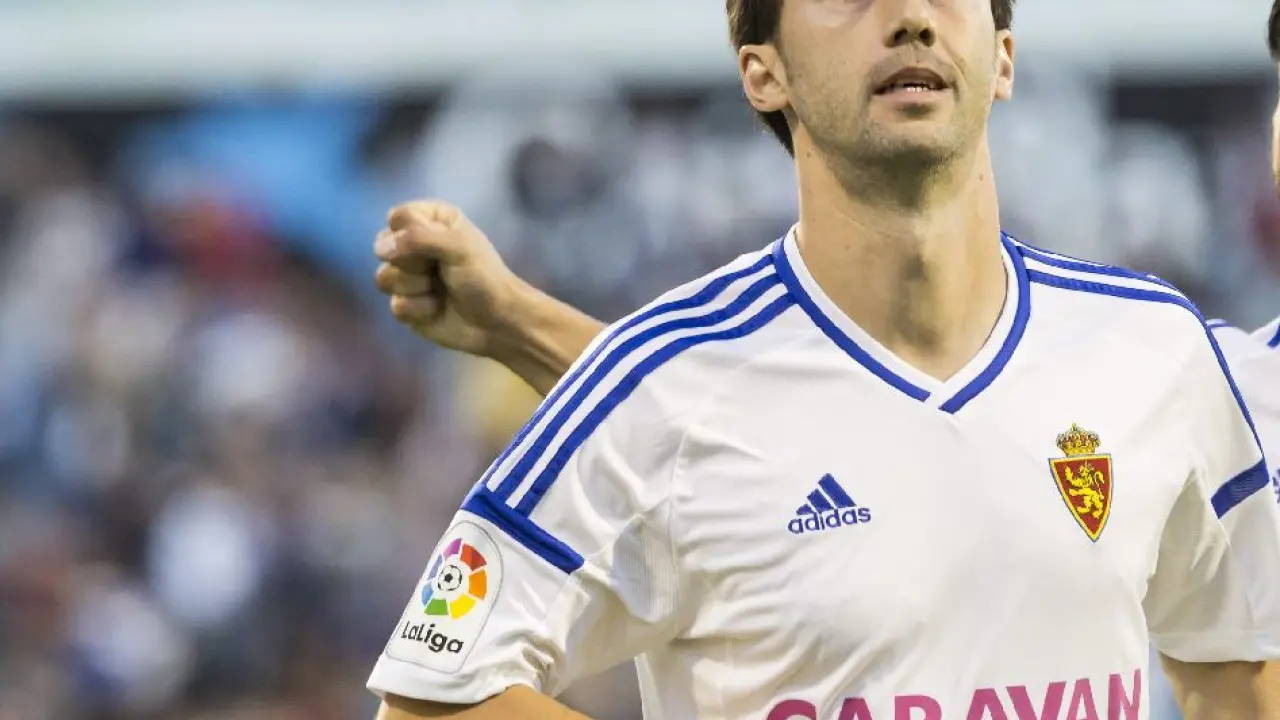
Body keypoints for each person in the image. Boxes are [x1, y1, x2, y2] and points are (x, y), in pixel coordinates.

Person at [367, 0, 1280, 717]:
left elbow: (1236, 664)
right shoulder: (656, 385)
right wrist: (524, 325)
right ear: (763, 73)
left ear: (1004, 55)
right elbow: (434, 696)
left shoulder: (1154, 349)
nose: (911, 15)